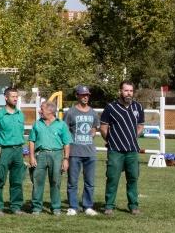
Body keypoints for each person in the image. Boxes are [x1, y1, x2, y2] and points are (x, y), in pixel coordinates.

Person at [99, 81, 145, 215]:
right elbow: (103, 127)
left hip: (132, 150)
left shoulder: (138, 107)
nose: (128, 93)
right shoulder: (110, 107)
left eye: (131, 91)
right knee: (112, 178)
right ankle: (109, 206)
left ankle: (133, 206)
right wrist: (110, 140)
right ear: (120, 91)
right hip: (115, 150)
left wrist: (131, 136)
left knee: (133, 178)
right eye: (126, 90)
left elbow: (141, 125)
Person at [28, 101, 72, 215]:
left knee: (55, 181)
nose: (39, 111)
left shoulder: (61, 125)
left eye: (42, 109)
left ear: (50, 111)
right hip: (40, 154)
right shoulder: (37, 124)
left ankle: (56, 207)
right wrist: (31, 157)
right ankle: (36, 208)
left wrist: (66, 159)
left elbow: (67, 143)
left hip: (56, 155)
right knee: (37, 182)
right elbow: (32, 141)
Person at [63, 85, 100, 216]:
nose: (85, 97)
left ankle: (88, 206)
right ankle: (73, 206)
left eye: (87, 95)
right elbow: (65, 131)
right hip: (74, 152)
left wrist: (93, 133)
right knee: (72, 181)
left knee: (90, 182)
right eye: (83, 95)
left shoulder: (93, 113)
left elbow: (95, 127)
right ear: (77, 96)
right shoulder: (70, 112)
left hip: (90, 152)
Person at [0, 87, 27, 215]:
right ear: (6, 98)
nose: (15, 98)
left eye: (16, 96)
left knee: (17, 180)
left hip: (18, 150)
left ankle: (16, 207)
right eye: (12, 96)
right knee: (0, 179)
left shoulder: (20, 114)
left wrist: (23, 152)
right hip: (4, 151)